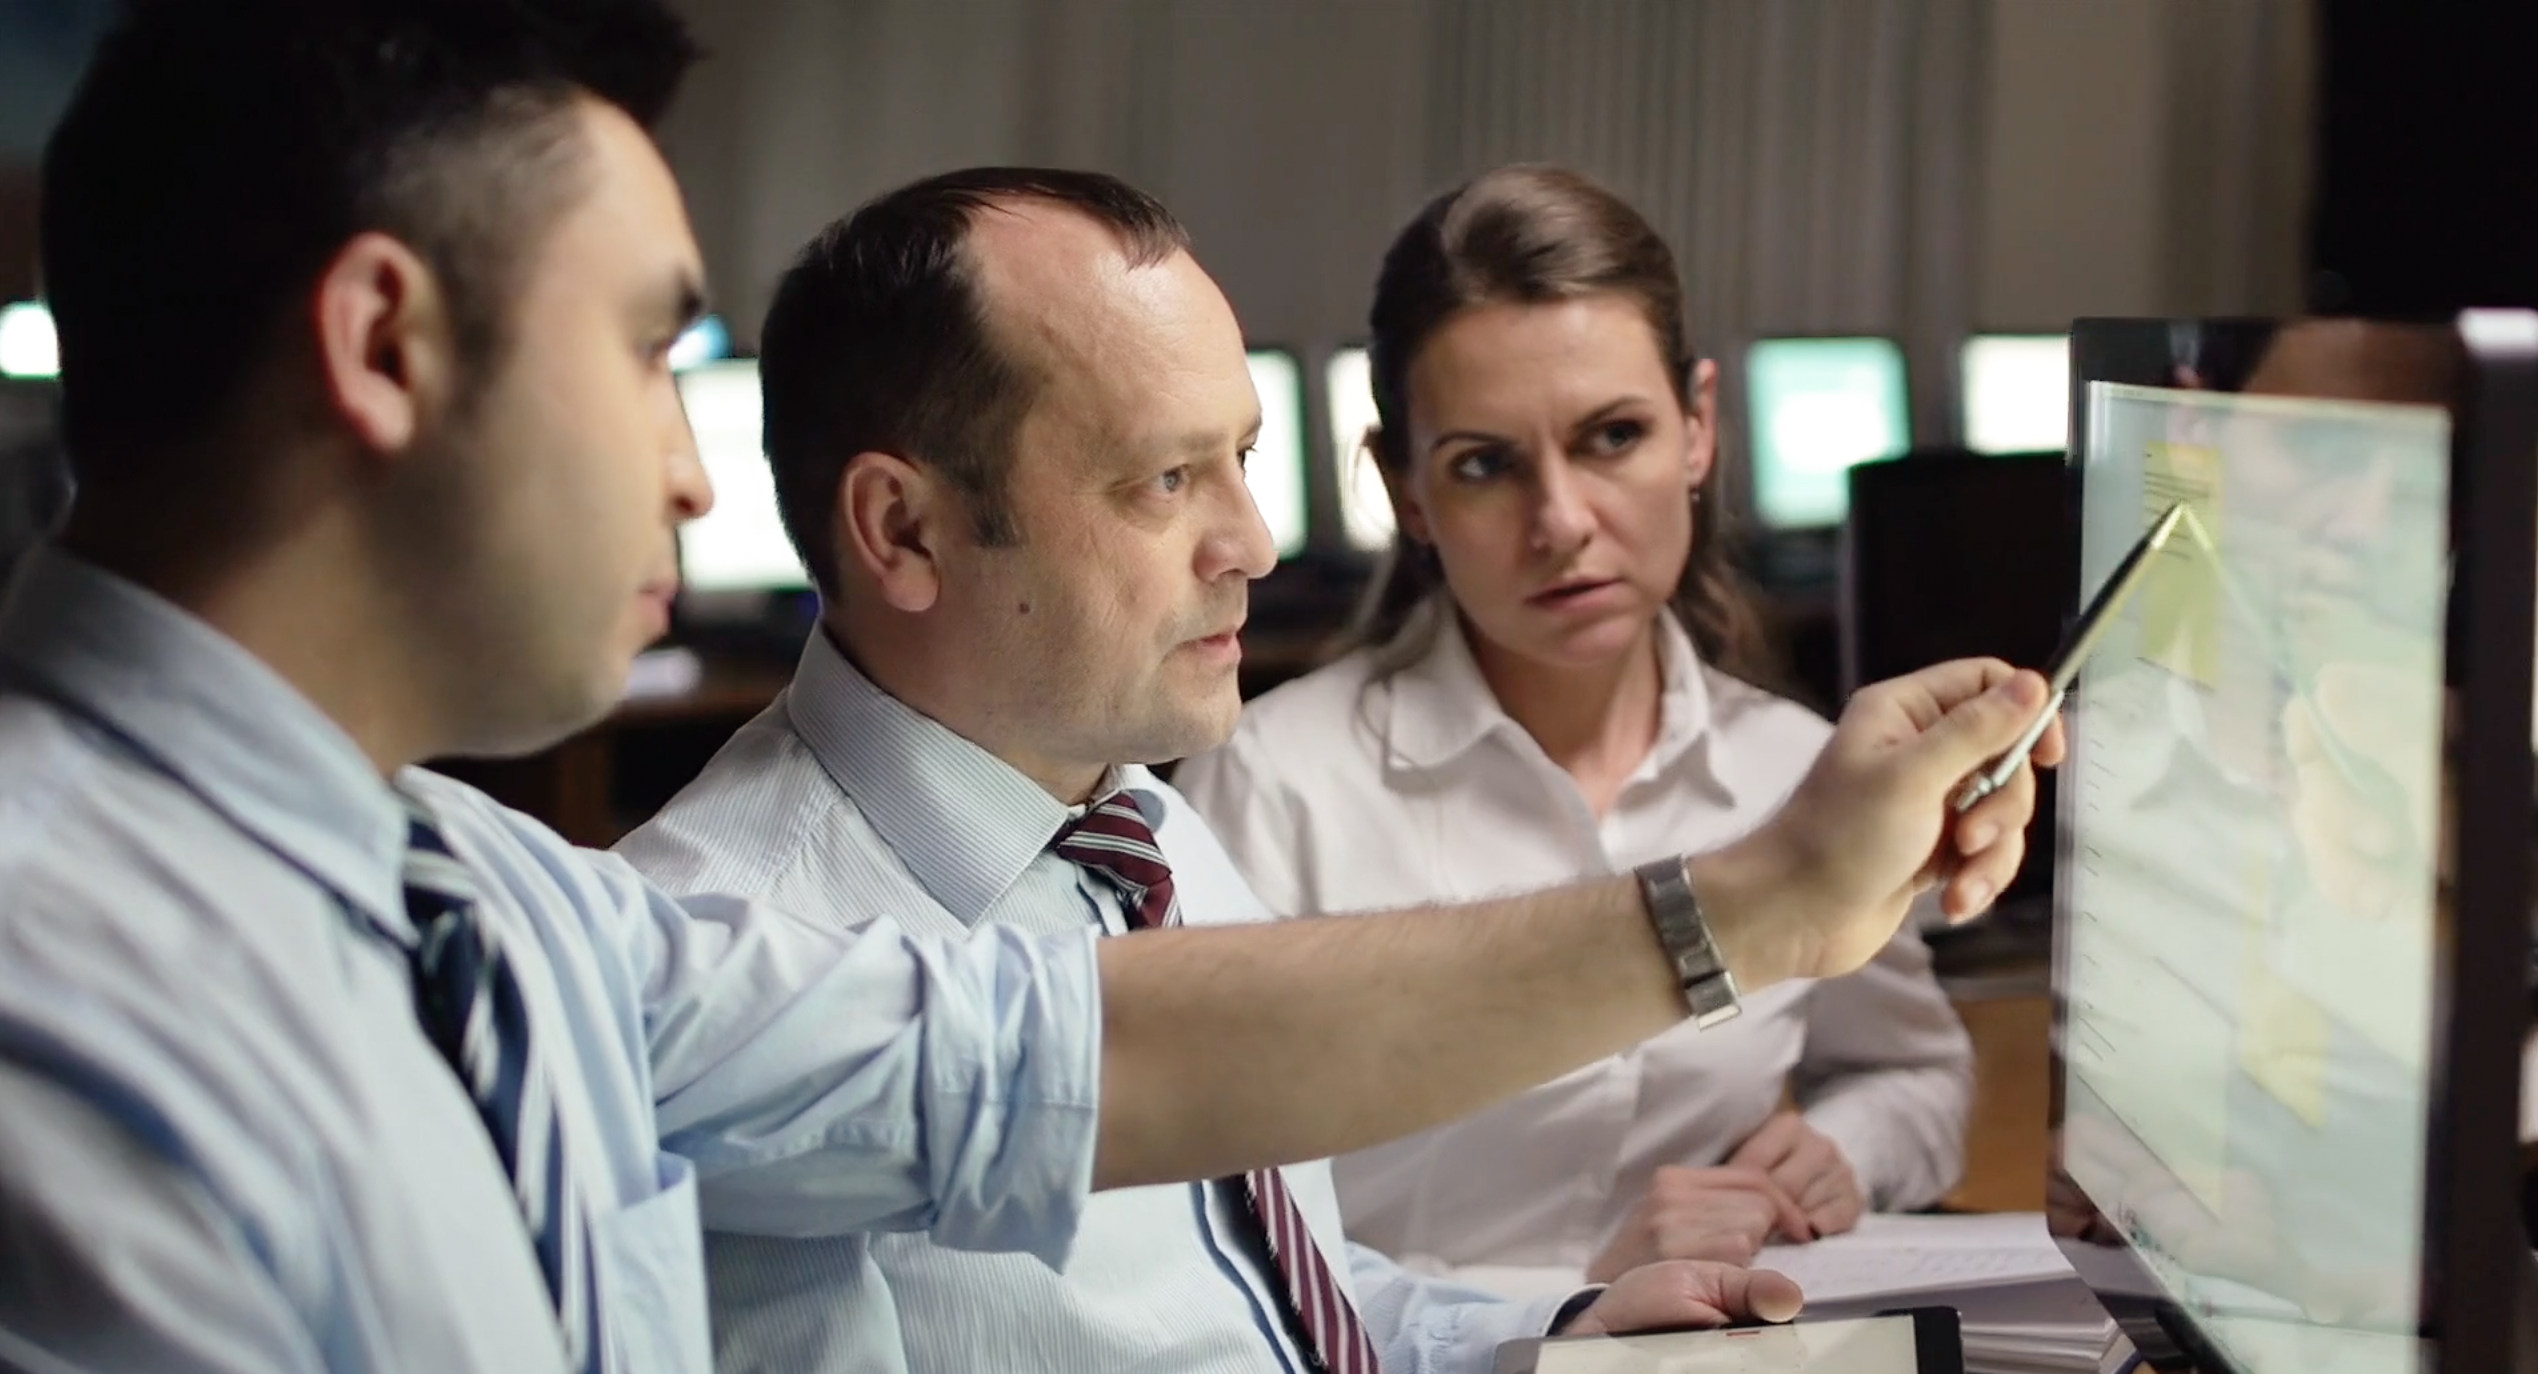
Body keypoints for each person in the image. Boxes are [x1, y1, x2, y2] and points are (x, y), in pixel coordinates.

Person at [0, 6, 2055, 1371]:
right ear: (386, 343)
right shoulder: (61, 1004)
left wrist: (1763, 926)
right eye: (641, 353)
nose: (703, 474)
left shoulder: (497, 894)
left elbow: (1048, 1068)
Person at [613, 167, 2042, 1374]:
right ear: (904, 532)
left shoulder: (1136, 826)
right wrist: (1757, 903)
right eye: (1165, 479)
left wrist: (1550, 1331)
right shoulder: (712, 958)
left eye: (1239, 457)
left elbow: (1288, 1300)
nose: (1254, 540)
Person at [1173, 164, 1974, 1292]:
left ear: (1696, 431)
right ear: (1405, 491)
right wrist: (1575, 1298)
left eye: (1612, 437)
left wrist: (1848, 1151)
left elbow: (1914, 1074)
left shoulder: (1797, 774)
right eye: (1486, 465)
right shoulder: (1270, 792)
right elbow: (1199, 1249)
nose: (1561, 522)